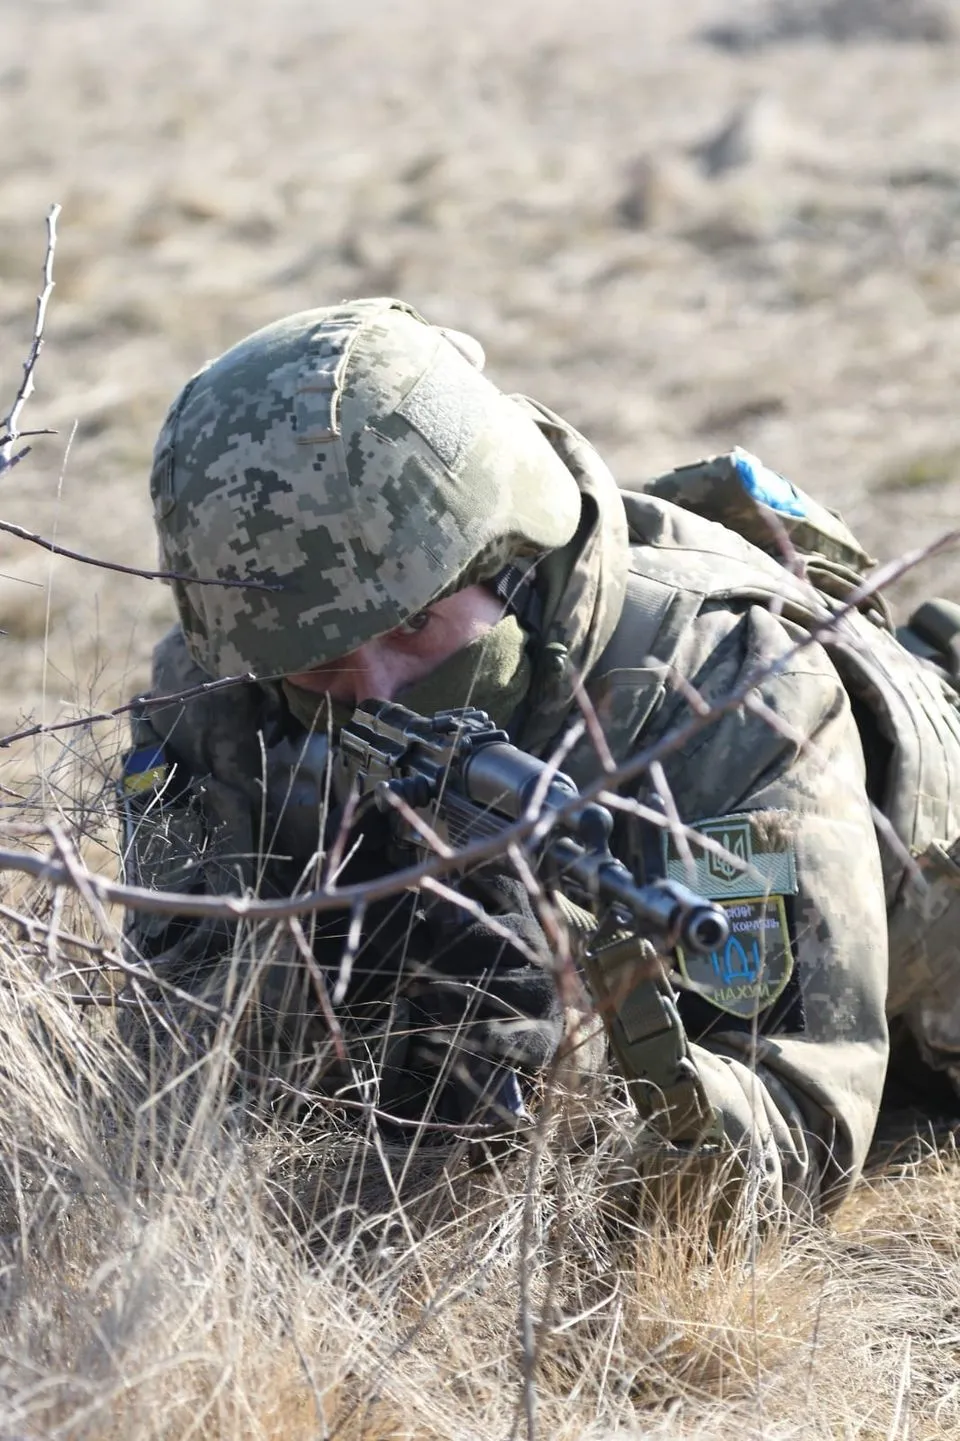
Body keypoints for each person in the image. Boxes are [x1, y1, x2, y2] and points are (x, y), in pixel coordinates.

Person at [118, 295, 960, 1221]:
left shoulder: (734, 693)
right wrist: (323, 975)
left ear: (509, 559)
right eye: (324, 666)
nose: (378, 691)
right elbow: (166, 1061)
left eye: (414, 627)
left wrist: (581, 1059)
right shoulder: (234, 686)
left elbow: (796, 1153)